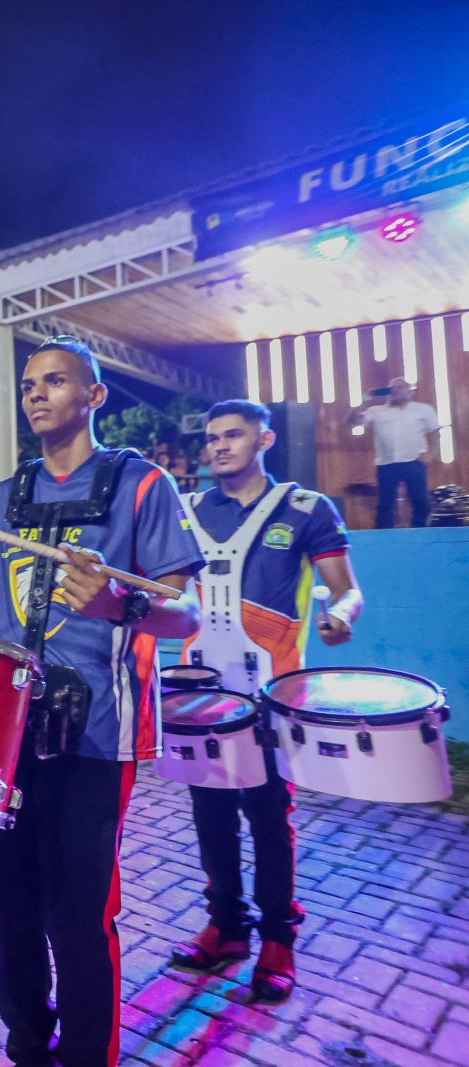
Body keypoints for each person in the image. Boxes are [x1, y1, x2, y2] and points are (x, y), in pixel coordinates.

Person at [0, 336, 203, 1067]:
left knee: (77, 915)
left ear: (94, 395)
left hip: (97, 732)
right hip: (2, 733)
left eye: (55, 380)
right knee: (9, 909)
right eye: (29, 383)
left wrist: (119, 604)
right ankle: (26, 1046)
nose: (36, 392)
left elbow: (187, 611)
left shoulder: (142, 485)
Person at [169, 400, 363, 1002]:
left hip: (270, 694)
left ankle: (278, 939)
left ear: (264, 440)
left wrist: (339, 616)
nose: (220, 446)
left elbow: (347, 590)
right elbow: (171, 597)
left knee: (269, 818)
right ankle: (226, 926)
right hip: (200, 690)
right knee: (210, 813)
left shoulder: (305, 510)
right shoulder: (189, 511)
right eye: (212, 437)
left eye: (233, 435)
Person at [347, 375, 440, 528]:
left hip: (414, 461)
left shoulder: (423, 409)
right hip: (386, 463)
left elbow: (435, 432)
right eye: (392, 388)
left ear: (409, 392)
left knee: (420, 501)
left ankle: (422, 534)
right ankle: (383, 538)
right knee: (385, 504)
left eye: (400, 387)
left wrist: (432, 453)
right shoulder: (375, 411)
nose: (396, 390)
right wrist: (364, 401)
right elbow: (351, 421)